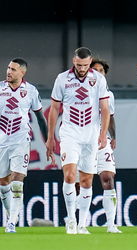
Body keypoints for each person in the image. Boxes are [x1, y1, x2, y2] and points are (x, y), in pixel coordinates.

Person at [0, 58, 48, 233]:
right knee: (3, 183)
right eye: (8, 68)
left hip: (21, 140)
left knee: (17, 180)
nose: (8, 71)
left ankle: (11, 224)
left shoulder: (30, 91)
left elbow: (40, 118)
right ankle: (11, 216)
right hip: (1, 141)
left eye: (13, 69)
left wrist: (48, 142)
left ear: (22, 73)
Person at [46, 47, 110, 234]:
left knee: (87, 181)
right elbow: (54, 109)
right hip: (69, 134)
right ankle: (71, 220)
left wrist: (103, 133)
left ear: (90, 62)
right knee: (69, 176)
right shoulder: (62, 79)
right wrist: (51, 137)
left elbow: (105, 109)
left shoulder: (98, 79)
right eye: (79, 65)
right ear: (74, 61)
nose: (82, 68)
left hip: (90, 135)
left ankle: (83, 223)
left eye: (85, 65)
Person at [73, 58, 121, 233]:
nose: (99, 73)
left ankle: (111, 225)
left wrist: (113, 136)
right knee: (82, 183)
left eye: (102, 71)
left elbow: (111, 116)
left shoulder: (109, 94)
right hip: (84, 140)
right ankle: (78, 222)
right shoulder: (79, 91)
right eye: (96, 70)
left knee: (108, 178)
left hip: (103, 140)